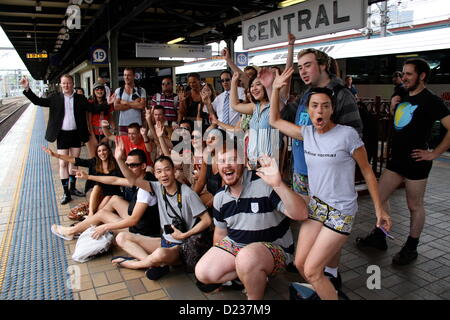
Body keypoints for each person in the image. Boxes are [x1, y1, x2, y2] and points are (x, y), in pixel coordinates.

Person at [269, 69, 392, 299]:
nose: (320, 110)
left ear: (332, 110)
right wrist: (275, 89)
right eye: (314, 105)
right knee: (301, 263)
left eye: (325, 106)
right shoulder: (306, 133)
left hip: (340, 211)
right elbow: (274, 120)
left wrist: (379, 209)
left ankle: (327, 291)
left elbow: (367, 171)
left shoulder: (347, 135)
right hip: (317, 208)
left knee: (314, 271)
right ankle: (329, 292)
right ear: (308, 110)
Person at [356, 58, 450, 265]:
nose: (403, 77)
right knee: (379, 197)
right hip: (396, 159)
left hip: (417, 161)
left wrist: (434, 153)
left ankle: (411, 247)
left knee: (414, 205)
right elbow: (397, 106)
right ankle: (380, 235)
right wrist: (393, 101)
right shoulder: (403, 93)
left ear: (422, 76)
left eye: (408, 74)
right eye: (403, 73)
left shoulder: (431, 100)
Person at [288, 48, 363, 287]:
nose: (303, 71)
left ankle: (330, 273)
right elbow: (292, 121)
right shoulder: (306, 94)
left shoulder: (341, 95)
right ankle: (316, 269)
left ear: (322, 66)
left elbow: (355, 138)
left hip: (327, 177)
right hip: (302, 170)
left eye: (307, 65)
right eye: (300, 67)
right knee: (309, 223)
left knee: (331, 228)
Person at [194, 142, 308, 300]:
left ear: (243, 161)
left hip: (275, 249)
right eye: (221, 161)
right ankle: (252, 276)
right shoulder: (220, 197)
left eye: (233, 159)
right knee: (203, 272)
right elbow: (220, 234)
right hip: (239, 246)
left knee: (247, 259)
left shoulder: (265, 183)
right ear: (216, 167)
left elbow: (301, 214)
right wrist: (221, 261)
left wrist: (278, 184)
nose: (226, 165)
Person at [111, 152, 211, 281]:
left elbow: (207, 221)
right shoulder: (157, 187)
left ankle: (134, 264)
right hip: (164, 241)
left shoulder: (187, 193)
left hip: (181, 247)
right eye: (159, 171)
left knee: (159, 253)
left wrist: (184, 235)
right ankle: (154, 264)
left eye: (167, 170)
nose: (163, 174)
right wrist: (119, 159)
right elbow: (133, 180)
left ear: (174, 171)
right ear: (156, 174)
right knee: (121, 237)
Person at [50, 148, 161, 241]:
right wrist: (88, 177)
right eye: (127, 165)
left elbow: (133, 220)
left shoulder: (145, 189)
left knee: (102, 214)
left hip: (142, 232)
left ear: (143, 166)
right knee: (114, 199)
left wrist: (105, 226)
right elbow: (114, 180)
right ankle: (87, 227)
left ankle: (71, 231)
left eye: (133, 165)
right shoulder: (142, 178)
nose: (128, 169)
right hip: (144, 221)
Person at [21, 74, 90, 204]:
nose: (66, 85)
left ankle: (73, 188)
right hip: (62, 135)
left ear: (72, 84)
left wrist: (108, 104)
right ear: (60, 84)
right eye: (63, 83)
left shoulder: (80, 98)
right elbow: (38, 101)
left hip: (76, 134)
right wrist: (27, 89)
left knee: (74, 162)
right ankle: (66, 192)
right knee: (63, 163)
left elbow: (93, 108)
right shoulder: (55, 98)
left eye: (68, 83)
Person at [42, 142, 123, 217]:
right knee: (97, 187)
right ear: (97, 153)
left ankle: (92, 218)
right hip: (94, 192)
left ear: (109, 151)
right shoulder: (94, 162)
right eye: (99, 151)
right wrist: (55, 155)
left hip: (111, 194)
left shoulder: (116, 164)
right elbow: (75, 160)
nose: (102, 153)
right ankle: (91, 213)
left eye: (104, 150)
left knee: (107, 199)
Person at [230, 70, 278, 169]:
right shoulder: (254, 107)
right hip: (252, 163)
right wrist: (234, 83)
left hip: (269, 165)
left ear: (266, 85)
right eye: (251, 86)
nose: (254, 88)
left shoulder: (275, 105)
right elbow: (235, 105)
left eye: (258, 84)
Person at [114, 68, 146, 135]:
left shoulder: (141, 90)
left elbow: (142, 105)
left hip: (137, 124)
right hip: (123, 124)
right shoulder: (119, 90)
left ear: (134, 76)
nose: (126, 77)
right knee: (123, 145)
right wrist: (135, 104)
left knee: (137, 145)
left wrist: (125, 102)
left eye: (129, 75)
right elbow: (116, 106)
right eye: (125, 75)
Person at [86, 82, 115, 157]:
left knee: (104, 157)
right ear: (94, 91)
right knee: (93, 157)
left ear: (104, 91)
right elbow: (89, 122)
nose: (99, 91)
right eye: (97, 89)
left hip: (104, 133)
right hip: (93, 134)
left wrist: (110, 133)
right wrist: (92, 137)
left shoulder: (108, 102)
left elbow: (111, 118)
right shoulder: (90, 103)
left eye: (101, 89)